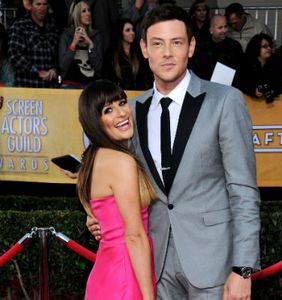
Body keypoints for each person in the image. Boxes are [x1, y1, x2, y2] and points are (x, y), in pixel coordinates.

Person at [88, 4, 260, 299]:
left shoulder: (224, 101)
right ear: (144, 49)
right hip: (154, 266)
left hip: (214, 264)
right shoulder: (132, 111)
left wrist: (243, 268)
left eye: (176, 42)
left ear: (191, 47)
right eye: (157, 43)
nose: (167, 53)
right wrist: (96, 215)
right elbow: (113, 173)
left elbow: (243, 188)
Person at [77, 79, 156, 300]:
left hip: (105, 273)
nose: (122, 113)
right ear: (95, 121)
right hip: (126, 276)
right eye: (108, 110)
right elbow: (134, 236)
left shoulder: (94, 159)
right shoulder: (121, 161)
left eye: (122, 103)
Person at [8, 0, 59, 88]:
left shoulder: (52, 27)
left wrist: (55, 69)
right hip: (27, 87)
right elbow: (14, 55)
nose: (42, 8)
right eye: (38, 4)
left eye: (45, 4)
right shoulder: (19, 26)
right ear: (30, 6)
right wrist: (37, 71)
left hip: (50, 88)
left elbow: (57, 55)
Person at [59, 0, 103, 87]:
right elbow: (63, 66)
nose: (88, 14)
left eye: (89, 10)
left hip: (91, 85)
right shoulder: (66, 35)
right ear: (76, 14)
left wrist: (90, 45)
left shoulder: (96, 36)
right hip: (70, 84)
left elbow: (98, 66)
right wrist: (73, 43)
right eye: (84, 11)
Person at [190, 14, 243, 84]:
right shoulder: (201, 46)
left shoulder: (234, 46)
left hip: (229, 88)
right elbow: (194, 71)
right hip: (205, 87)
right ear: (211, 30)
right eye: (220, 28)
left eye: (225, 27)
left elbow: (241, 70)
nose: (224, 30)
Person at [103, 18, 152, 90]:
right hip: (119, 95)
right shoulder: (111, 54)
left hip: (139, 94)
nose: (132, 32)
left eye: (133, 30)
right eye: (127, 30)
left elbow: (146, 75)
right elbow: (107, 78)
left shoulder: (139, 52)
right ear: (120, 33)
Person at [238, 33, 282, 103]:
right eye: (265, 46)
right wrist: (253, 90)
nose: (269, 48)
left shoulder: (276, 61)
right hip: (250, 104)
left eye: (270, 46)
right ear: (256, 47)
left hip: (275, 105)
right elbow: (241, 82)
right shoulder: (246, 62)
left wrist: (273, 91)